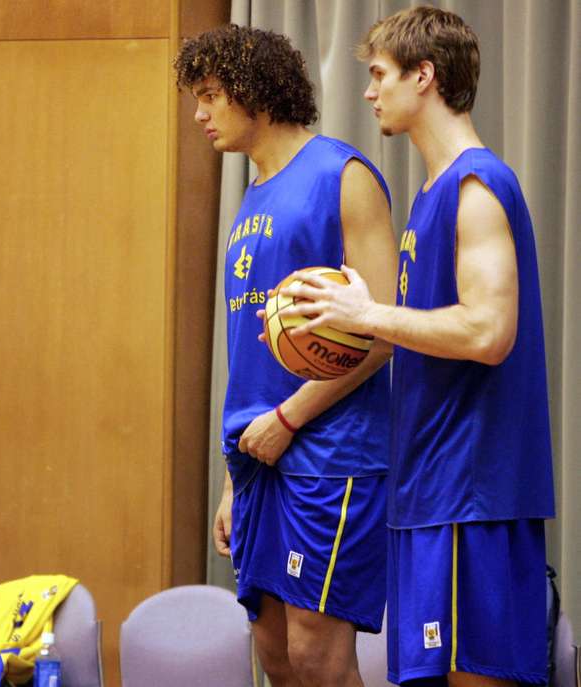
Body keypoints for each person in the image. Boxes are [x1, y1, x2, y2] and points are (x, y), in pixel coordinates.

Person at [283, 7, 556, 686]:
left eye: (380, 75)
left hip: (473, 495)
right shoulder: (432, 193)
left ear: (424, 76)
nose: (370, 91)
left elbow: (489, 332)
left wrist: (370, 314)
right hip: (429, 491)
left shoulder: (477, 185)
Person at [174, 25, 397, 686]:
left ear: (255, 92)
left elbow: (385, 328)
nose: (199, 113)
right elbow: (250, 355)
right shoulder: (249, 198)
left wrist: (291, 418)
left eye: (211, 95)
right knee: (273, 654)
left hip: (330, 451)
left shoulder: (343, 174)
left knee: (316, 656)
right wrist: (229, 480)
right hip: (257, 458)